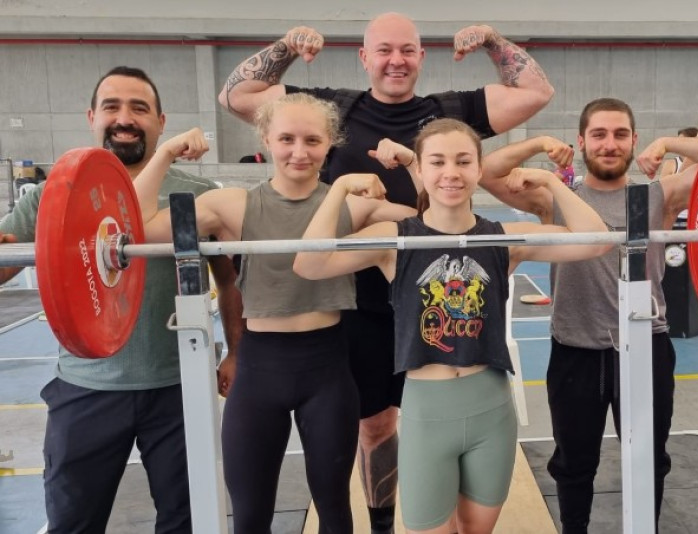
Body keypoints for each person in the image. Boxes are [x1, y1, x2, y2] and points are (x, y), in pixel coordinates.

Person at [218, 13, 554, 531]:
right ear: (364, 58)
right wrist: (286, 44)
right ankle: (382, 521)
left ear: (422, 56)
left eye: (407, 50)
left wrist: (491, 40)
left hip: (439, 293)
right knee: (374, 426)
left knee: (451, 407)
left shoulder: (449, 110)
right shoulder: (336, 109)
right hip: (362, 297)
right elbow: (238, 96)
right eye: (384, 50)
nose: (396, 60)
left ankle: (453, 504)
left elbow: (535, 91)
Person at [293, 118, 610, 534]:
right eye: (438, 161)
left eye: (463, 161)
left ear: (478, 169)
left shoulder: (502, 238)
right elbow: (309, 264)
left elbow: (598, 240)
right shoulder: (396, 239)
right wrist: (335, 190)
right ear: (420, 170)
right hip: (428, 411)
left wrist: (554, 186)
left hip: (491, 410)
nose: (451, 173)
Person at [133, 92, 417, 534]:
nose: (299, 152)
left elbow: (434, 225)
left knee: (335, 512)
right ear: (266, 138)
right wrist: (166, 152)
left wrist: (414, 164)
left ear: (330, 145)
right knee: (250, 517)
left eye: (312, 140)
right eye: (286, 138)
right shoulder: (234, 205)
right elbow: (139, 228)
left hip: (327, 371)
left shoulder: (353, 206)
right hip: (259, 372)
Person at [0, 66, 243, 533]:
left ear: (161, 120)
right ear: (92, 116)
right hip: (85, 388)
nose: (124, 118)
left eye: (139, 108)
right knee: (73, 521)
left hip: (178, 387)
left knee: (188, 521)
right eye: (111, 107)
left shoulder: (197, 195)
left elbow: (230, 282)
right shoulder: (54, 195)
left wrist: (237, 351)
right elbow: (8, 259)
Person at [477, 98, 698, 533]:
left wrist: (672, 142)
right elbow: (486, 172)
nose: (609, 144)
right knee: (573, 463)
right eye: (599, 135)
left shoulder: (659, 194)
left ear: (635, 141)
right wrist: (537, 144)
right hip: (575, 350)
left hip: (645, 348)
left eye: (620, 134)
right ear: (581, 142)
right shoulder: (559, 199)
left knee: (648, 459)